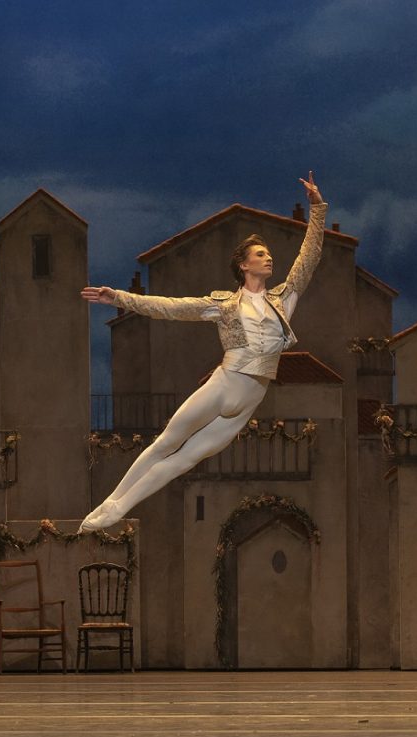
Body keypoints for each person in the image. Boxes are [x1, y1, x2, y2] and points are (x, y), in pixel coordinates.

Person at [78, 172, 327, 532]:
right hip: (225, 384)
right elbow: (171, 308)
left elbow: (310, 257)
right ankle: (109, 502)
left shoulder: (283, 299)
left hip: (251, 398)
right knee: (167, 442)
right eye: (260, 254)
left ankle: (116, 512)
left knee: (184, 461)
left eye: (270, 254)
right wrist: (119, 297)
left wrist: (317, 208)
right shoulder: (224, 304)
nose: (269, 258)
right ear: (244, 265)